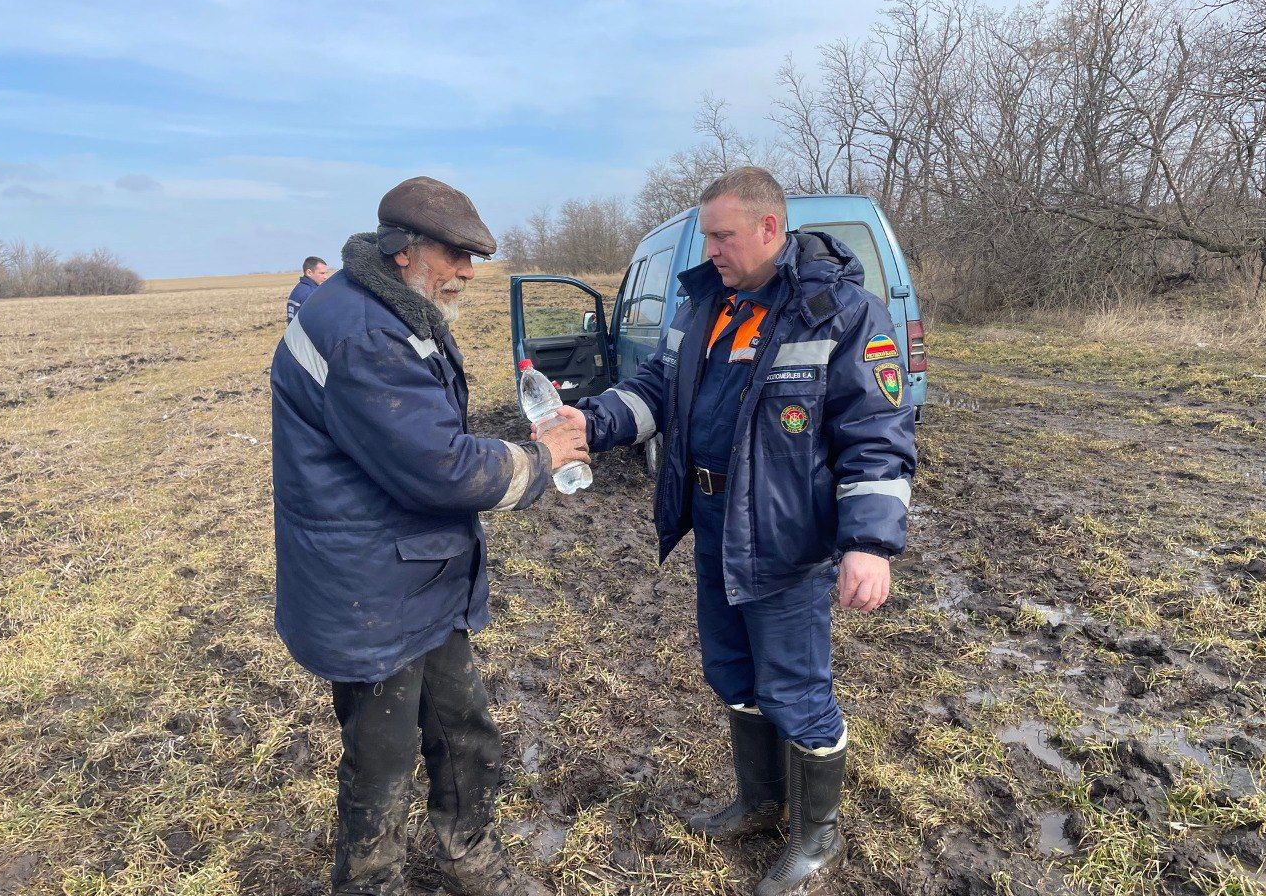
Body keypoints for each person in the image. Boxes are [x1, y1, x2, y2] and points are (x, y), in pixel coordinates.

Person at [558, 167, 916, 895]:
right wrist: (591, 423)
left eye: (722, 235)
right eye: (707, 234)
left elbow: (877, 433)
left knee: (795, 686)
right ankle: (760, 804)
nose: (712, 248)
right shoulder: (705, 305)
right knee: (732, 671)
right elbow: (659, 389)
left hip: (786, 536)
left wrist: (869, 544)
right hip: (715, 520)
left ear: (768, 230)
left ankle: (819, 838)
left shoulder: (840, 313)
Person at [270, 176, 586, 896]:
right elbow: (438, 467)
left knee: (463, 727)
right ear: (407, 250)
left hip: (415, 573)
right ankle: (372, 881)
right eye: (459, 255)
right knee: (382, 757)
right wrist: (541, 460)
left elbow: (418, 440)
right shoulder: (362, 330)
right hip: (370, 586)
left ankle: (465, 854)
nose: (470, 272)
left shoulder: (385, 305)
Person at [286, 256, 330, 322]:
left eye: (326, 273)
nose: (325, 277)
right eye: (322, 273)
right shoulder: (310, 294)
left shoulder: (299, 288)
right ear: (309, 272)